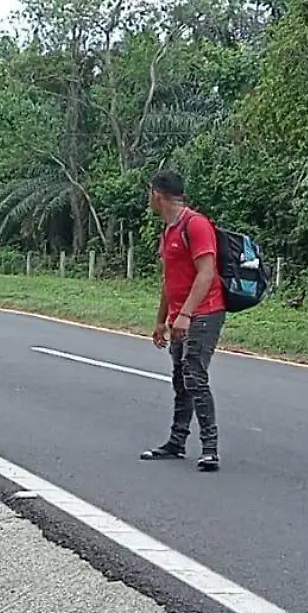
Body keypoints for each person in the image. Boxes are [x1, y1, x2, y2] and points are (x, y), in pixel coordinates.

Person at [139, 170, 224, 473]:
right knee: (180, 379)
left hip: (205, 313)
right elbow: (169, 280)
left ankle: (210, 449)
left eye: (149, 194)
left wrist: (186, 314)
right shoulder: (169, 231)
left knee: (194, 377)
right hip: (180, 316)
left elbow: (207, 273)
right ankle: (177, 442)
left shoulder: (195, 225)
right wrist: (161, 320)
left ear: (157, 195)